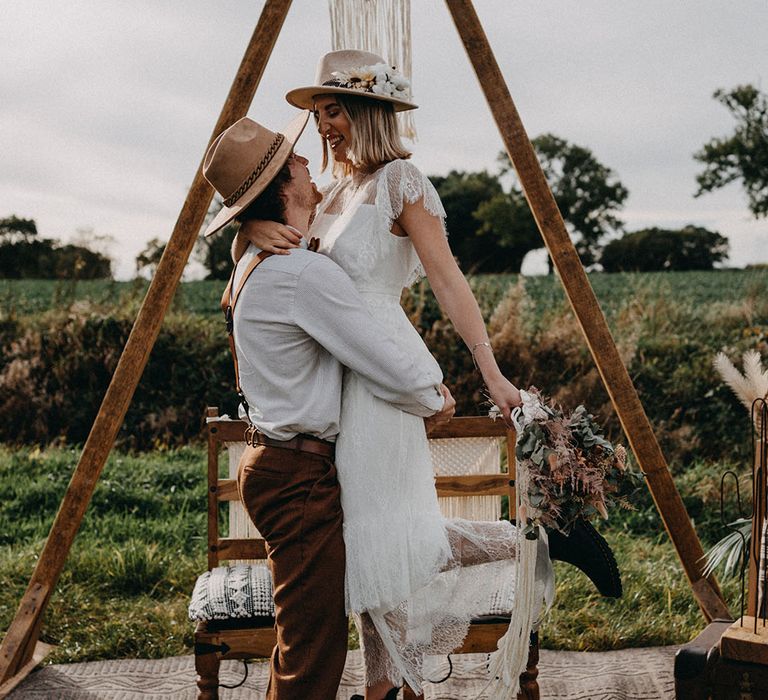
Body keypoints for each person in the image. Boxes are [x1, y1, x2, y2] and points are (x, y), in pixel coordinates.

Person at [239, 50, 540, 698]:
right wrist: (252, 229)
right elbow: (278, 245)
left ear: (368, 111)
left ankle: (392, 685)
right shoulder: (334, 189)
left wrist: (490, 373)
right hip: (336, 376)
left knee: (381, 541)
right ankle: (386, 687)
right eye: (320, 117)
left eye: (333, 113)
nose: (324, 129)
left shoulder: (402, 180)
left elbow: (447, 277)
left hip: (382, 371)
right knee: (366, 547)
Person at [201, 112, 456, 699]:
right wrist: (432, 393)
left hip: (277, 463)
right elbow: (377, 355)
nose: (311, 162)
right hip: (297, 473)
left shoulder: (253, 263)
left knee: (303, 643)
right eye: (296, 163)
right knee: (313, 654)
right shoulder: (302, 273)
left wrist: (247, 232)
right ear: (281, 191)